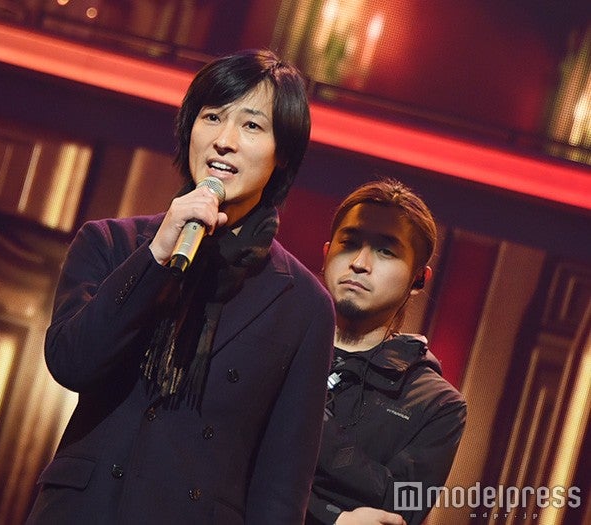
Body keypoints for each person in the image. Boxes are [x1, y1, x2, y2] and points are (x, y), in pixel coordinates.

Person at [26, 49, 335, 524]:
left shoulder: (304, 306)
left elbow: (281, 484)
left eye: (252, 125)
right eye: (212, 117)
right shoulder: (111, 243)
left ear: (283, 155)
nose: (224, 141)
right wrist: (154, 256)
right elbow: (72, 362)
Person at [307, 179, 467, 525]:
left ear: (418, 279)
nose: (360, 263)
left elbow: (398, 510)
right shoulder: (273, 339)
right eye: (349, 243)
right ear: (327, 252)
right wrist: (335, 518)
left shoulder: (436, 404)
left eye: (385, 251)